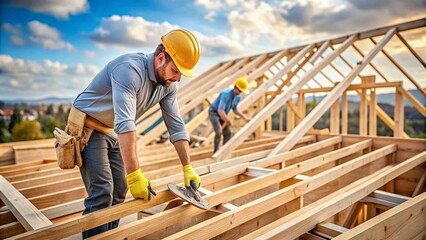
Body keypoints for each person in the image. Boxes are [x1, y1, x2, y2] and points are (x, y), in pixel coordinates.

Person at [71, 29, 202, 238]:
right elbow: (126, 124)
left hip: (112, 129)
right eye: (176, 70)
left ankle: (108, 236)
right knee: (102, 191)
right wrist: (135, 175)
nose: (178, 78)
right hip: (89, 126)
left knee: (120, 190)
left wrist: (188, 167)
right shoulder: (129, 69)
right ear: (161, 58)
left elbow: (176, 126)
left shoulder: (168, 86)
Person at [208, 77, 251, 153]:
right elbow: (220, 110)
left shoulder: (237, 97)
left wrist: (245, 117)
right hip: (214, 113)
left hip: (222, 114)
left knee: (228, 133)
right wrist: (227, 120)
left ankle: (224, 151)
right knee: (218, 131)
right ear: (235, 87)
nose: (239, 92)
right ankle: (216, 152)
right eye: (239, 90)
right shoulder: (226, 94)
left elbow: (235, 109)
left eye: (241, 91)